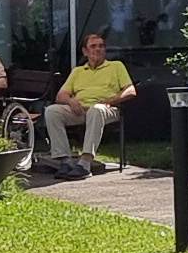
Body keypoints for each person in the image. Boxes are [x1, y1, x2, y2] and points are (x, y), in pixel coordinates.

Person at [46, 33, 136, 179]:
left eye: (101, 46)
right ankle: (65, 161)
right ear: (85, 51)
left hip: (107, 108)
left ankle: (85, 164)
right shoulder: (78, 71)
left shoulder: (116, 66)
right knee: (52, 111)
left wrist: (113, 99)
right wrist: (71, 101)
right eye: (93, 46)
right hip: (80, 110)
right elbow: (60, 95)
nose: (98, 49)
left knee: (96, 110)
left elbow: (131, 90)